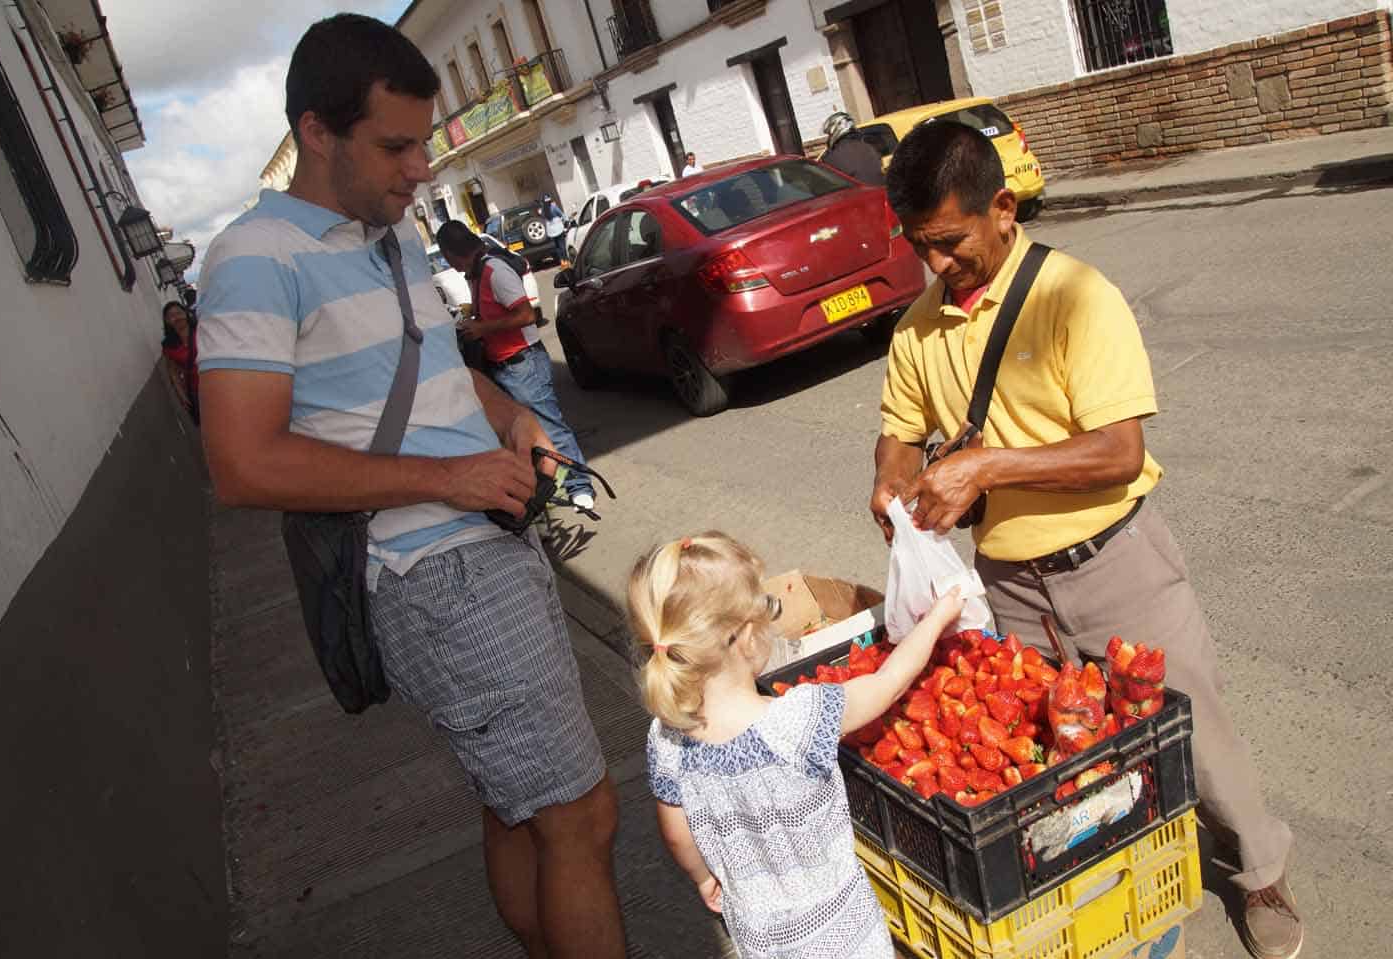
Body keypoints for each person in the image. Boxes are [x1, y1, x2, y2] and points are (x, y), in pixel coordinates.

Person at [192, 15, 624, 958]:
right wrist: (451, 476)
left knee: (519, 807)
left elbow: (428, 371)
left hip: (481, 548)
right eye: (395, 144)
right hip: (435, 574)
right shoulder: (255, 258)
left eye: (423, 142)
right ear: (316, 132)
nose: (420, 166)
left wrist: (507, 417)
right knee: (580, 815)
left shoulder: (385, 238)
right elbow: (241, 464)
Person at [868, 120, 1300, 959]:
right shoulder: (917, 328)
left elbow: (1118, 451)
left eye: (951, 242)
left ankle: (1261, 870)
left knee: (1197, 736)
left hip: (1117, 563)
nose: (937, 264)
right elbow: (898, 426)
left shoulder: (1075, 294)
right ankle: (1114, 880)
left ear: (1002, 207)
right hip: (1014, 586)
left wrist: (988, 467)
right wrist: (889, 477)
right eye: (922, 246)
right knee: (1060, 757)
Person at [635, 531, 965, 959]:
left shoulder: (665, 739)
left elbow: (676, 833)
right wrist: (935, 621)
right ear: (748, 635)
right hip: (842, 930)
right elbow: (885, 684)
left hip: (757, 933)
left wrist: (702, 876)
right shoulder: (796, 720)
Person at [437, 219, 598, 514]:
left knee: (550, 427)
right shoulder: (475, 274)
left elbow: (526, 314)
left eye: (445, 257)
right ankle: (554, 486)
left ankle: (581, 487)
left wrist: (484, 329)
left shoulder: (494, 271)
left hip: (524, 363)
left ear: (452, 252)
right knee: (523, 434)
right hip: (503, 366)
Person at [820, 111, 885, 186]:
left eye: (829, 135)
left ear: (835, 131)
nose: (828, 138)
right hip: (880, 193)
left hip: (859, 196)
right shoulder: (868, 147)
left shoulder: (833, 156)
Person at [161, 300, 199, 424]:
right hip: (195, 390)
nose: (176, 317)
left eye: (179, 313)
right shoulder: (169, 345)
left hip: (217, 382)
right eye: (171, 316)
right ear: (167, 321)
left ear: (186, 313)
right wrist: (182, 395)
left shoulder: (200, 329)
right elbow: (173, 372)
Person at [540, 193, 569, 266]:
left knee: (557, 247)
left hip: (551, 231)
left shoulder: (543, 210)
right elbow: (561, 214)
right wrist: (566, 221)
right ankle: (566, 261)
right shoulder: (553, 206)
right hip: (558, 228)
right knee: (562, 245)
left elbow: (544, 217)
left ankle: (562, 262)